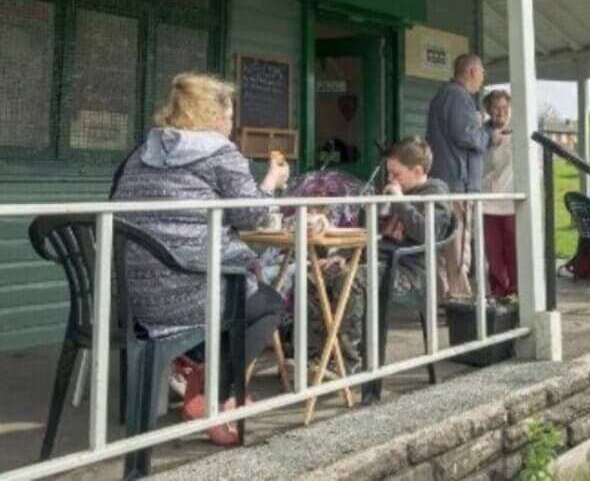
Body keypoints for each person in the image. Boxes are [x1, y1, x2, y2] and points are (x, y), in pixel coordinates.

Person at [112, 72, 289, 446]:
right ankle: (212, 395)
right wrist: (272, 181)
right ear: (214, 115)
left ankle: (201, 379)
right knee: (269, 304)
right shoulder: (218, 151)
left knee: (244, 290)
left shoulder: (142, 151)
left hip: (135, 297)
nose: (232, 125)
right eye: (230, 116)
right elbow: (253, 216)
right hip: (188, 286)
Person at [309, 137, 452, 376]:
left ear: (417, 171)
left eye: (396, 174)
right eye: (389, 174)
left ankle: (348, 362)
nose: (390, 180)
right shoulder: (396, 193)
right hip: (380, 262)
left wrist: (400, 202)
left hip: (410, 271)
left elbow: (428, 233)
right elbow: (375, 236)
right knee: (315, 274)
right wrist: (347, 254)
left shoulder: (435, 193)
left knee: (353, 279)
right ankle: (315, 356)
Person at [425, 53, 490, 297]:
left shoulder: (443, 95)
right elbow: (465, 135)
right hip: (457, 183)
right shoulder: (459, 96)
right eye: (482, 72)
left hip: (444, 180)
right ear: (472, 71)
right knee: (458, 243)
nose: (483, 78)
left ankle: (442, 296)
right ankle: (459, 297)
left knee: (445, 243)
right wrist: (488, 136)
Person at [481, 89, 516, 298]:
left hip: (512, 199)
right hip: (488, 200)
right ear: (488, 110)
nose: (500, 112)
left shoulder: (519, 130)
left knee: (514, 250)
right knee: (493, 252)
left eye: (504, 107)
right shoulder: (481, 133)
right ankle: (497, 292)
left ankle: (516, 291)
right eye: (496, 108)